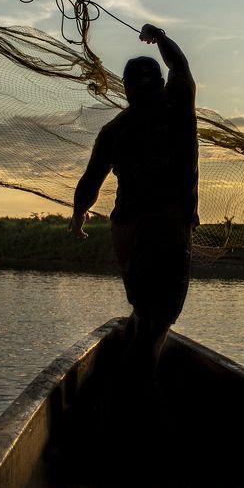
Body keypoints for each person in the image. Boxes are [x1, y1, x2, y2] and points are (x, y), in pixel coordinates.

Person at [68, 23, 198, 390]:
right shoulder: (178, 103)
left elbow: (90, 182)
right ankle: (132, 401)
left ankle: (122, 392)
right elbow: (180, 65)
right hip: (167, 230)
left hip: (127, 231)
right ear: (161, 83)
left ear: (125, 90)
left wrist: (78, 216)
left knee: (145, 314)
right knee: (157, 323)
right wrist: (160, 38)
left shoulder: (115, 129)